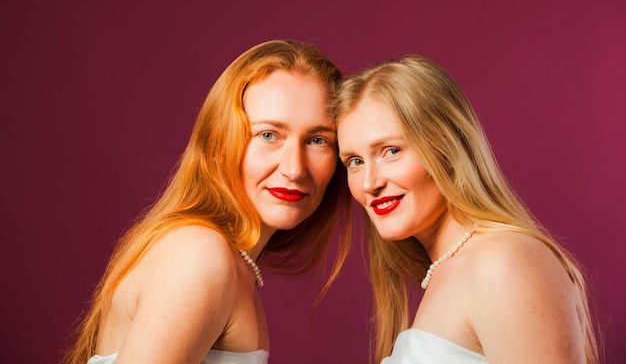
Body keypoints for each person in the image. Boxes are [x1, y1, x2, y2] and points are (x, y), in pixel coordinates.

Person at [61, 39, 352, 364]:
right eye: (269, 135)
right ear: (219, 141)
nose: (294, 168)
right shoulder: (201, 256)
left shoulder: (227, 259)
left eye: (318, 140)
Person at [334, 55, 599, 364]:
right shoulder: (450, 270)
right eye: (354, 161)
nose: (369, 182)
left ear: (446, 148)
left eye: (391, 151)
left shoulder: (503, 264)